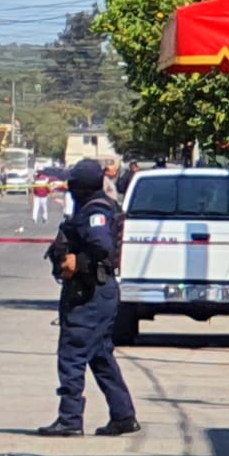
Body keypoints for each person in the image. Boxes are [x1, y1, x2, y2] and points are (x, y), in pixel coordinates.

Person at [36, 159, 141, 437]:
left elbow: (101, 247)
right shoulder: (97, 206)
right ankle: (123, 415)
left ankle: (70, 419)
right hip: (98, 292)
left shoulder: (96, 211)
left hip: (90, 292)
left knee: (72, 354)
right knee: (100, 356)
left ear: (80, 187)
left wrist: (76, 263)